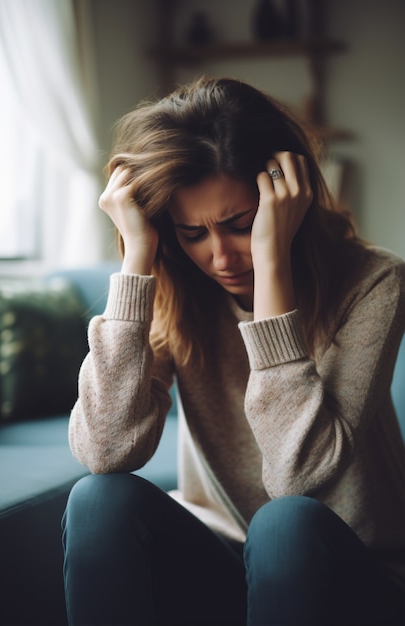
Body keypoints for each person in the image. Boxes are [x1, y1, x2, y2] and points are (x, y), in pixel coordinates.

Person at [62, 76, 405, 626]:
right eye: (192, 234)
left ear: (288, 198)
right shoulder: (176, 290)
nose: (220, 257)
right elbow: (105, 450)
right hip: (228, 562)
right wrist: (137, 258)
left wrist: (271, 265)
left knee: (284, 522)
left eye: (241, 225)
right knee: (98, 500)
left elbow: (300, 479)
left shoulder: (374, 282)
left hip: (352, 570)